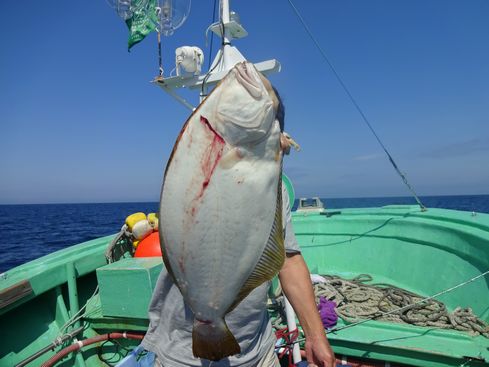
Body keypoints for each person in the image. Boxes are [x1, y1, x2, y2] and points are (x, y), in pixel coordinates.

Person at [141, 88, 335, 367]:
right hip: (181, 354)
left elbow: (288, 259)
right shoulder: (197, 171)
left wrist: (315, 335)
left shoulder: (273, 189)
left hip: (258, 348)